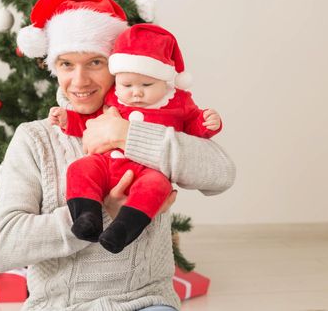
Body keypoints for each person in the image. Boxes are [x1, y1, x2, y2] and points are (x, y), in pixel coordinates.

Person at [0, 0, 235, 311]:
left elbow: (222, 174)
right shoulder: (35, 139)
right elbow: (3, 247)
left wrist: (129, 135)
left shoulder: (153, 126)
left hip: (144, 301)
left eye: (95, 62)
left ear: (119, 67)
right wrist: (105, 212)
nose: (79, 80)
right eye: (66, 64)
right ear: (54, 68)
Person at [48, 23, 223, 254]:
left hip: (148, 170)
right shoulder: (114, 98)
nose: (136, 93)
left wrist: (206, 123)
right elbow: (88, 122)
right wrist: (67, 120)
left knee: (156, 186)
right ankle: (86, 216)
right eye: (127, 85)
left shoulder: (178, 102)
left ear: (165, 82)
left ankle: (125, 227)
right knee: (80, 169)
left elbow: (196, 129)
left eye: (95, 62)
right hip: (107, 163)